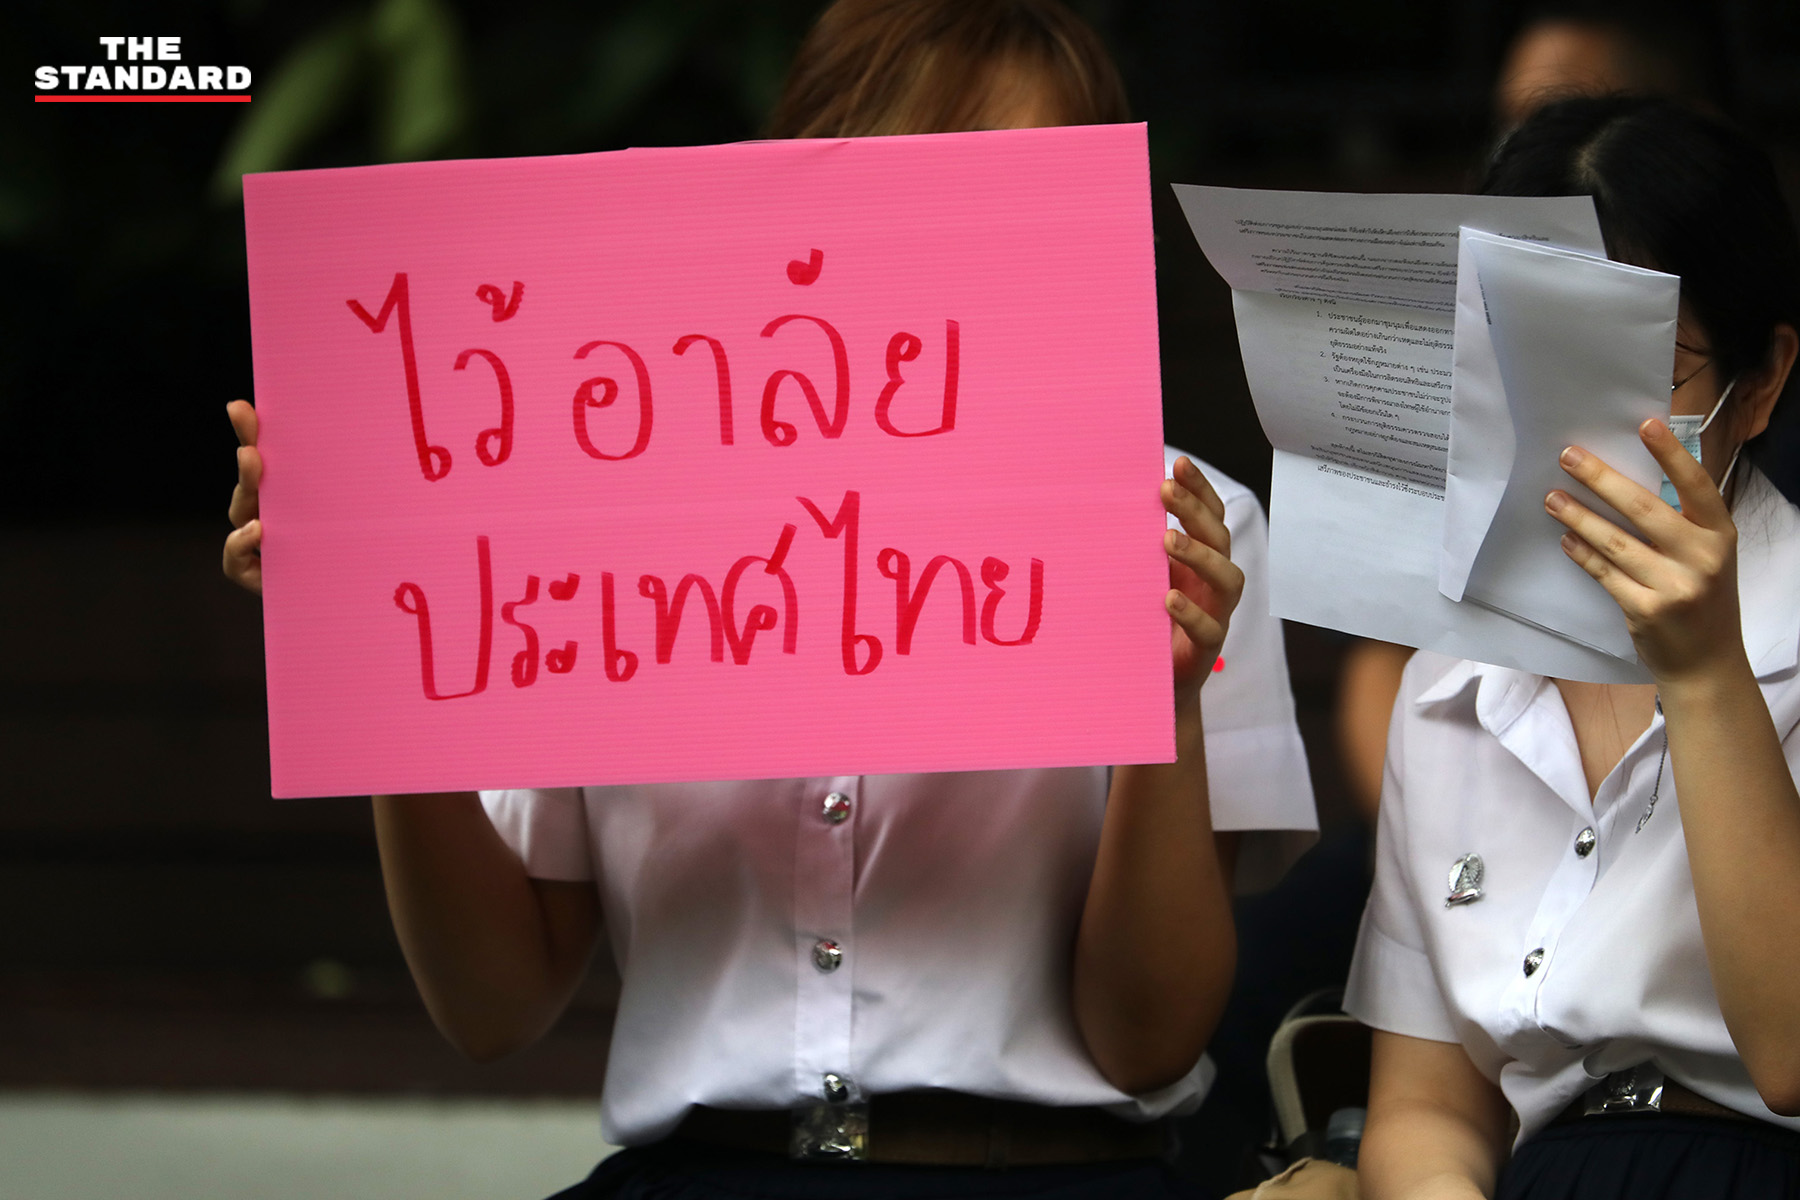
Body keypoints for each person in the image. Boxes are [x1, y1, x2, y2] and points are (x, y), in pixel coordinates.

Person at [223, 2, 1317, 1196]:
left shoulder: (1181, 527)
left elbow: (1147, 1038)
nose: (961, 232)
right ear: (790, 189)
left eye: (1026, 187)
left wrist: (1166, 706)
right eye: (913, 179)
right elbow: (493, 1006)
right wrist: (378, 645)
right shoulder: (591, 505)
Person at [1347, 95, 1800, 1200]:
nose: (1563, 427)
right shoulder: (1446, 683)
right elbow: (1426, 1107)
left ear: (1758, 387)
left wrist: (1704, 674)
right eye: (1525, 357)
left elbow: (1791, 1055)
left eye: (1635, 368)